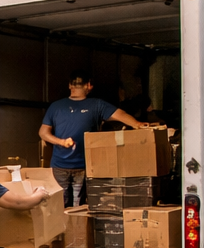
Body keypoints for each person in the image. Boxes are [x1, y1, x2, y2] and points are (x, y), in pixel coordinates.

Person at [38, 74, 146, 208]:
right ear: (89, 85)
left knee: (61, 205)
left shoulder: (58, 106)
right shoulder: (96, 104)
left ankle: (68, 228)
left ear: (70, 85)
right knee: (78, 206)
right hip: (74, 166)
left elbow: (43, 132)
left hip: (71, 166)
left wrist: (61, 142)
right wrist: (138, 124)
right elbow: (121, 115)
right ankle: (74, 227)